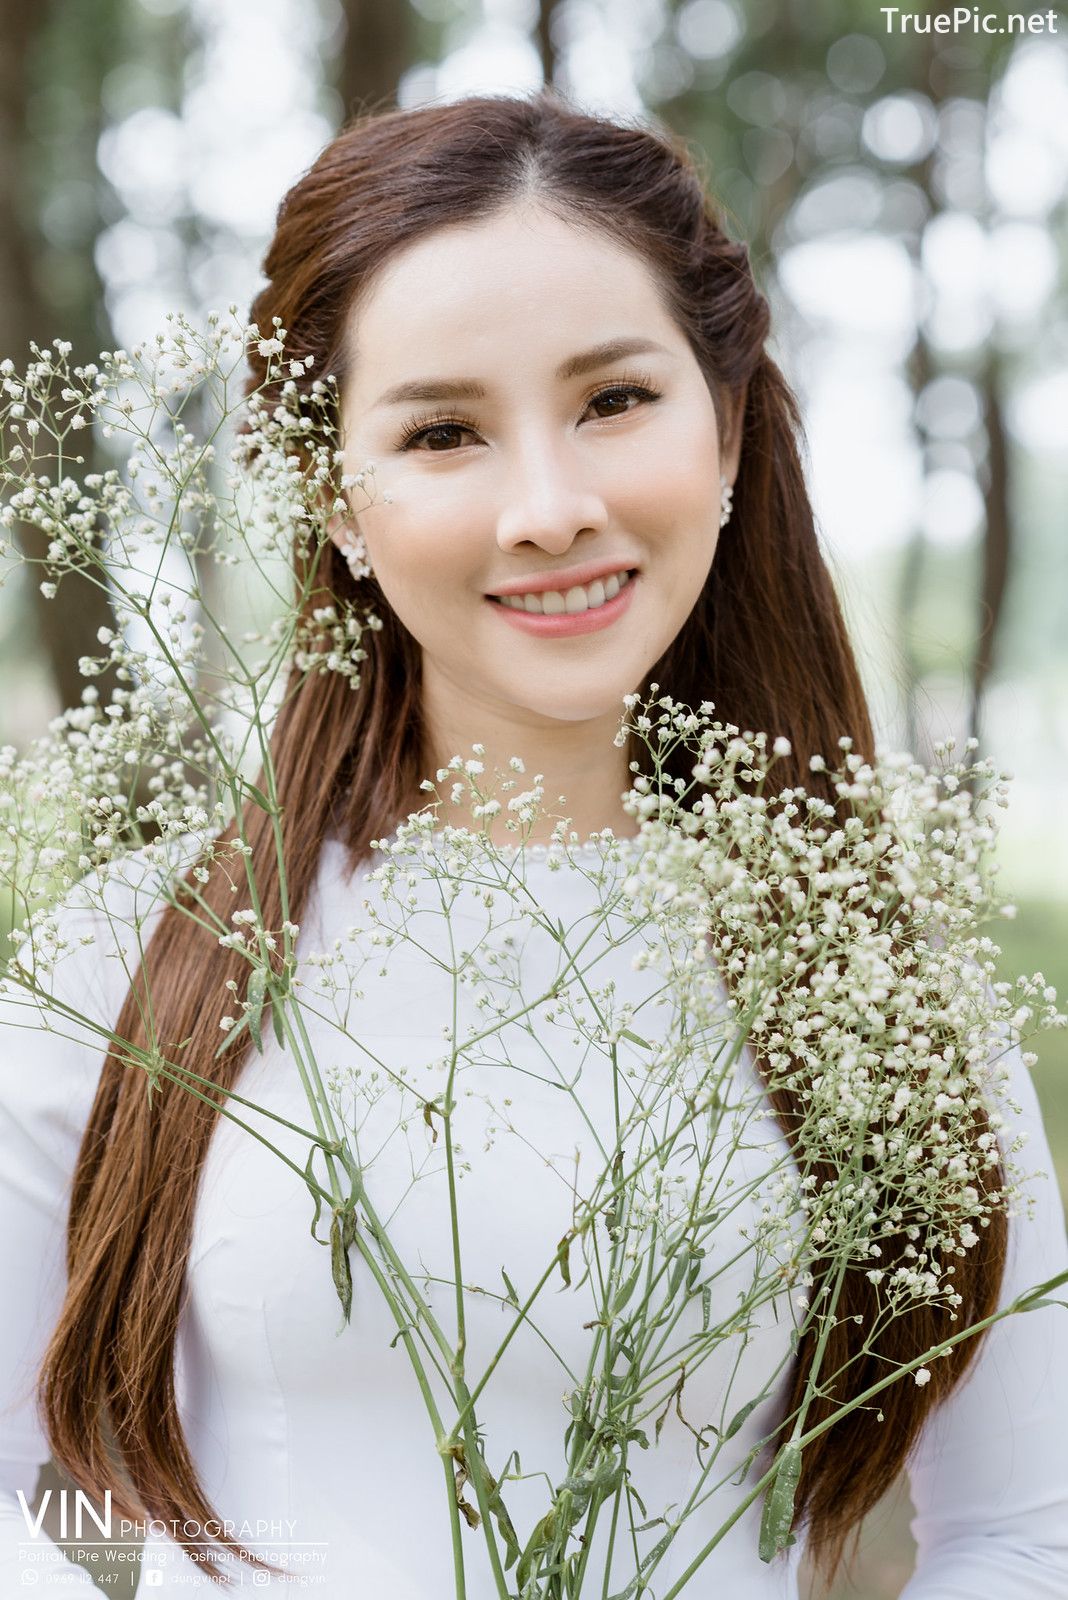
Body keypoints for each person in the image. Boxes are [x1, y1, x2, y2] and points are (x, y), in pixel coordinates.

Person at [2, 92, 1067, 1598]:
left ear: (732, 421)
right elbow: (24, 1493)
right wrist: (152, 1579)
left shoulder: (880, 987)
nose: (550, 508)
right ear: (333, 497)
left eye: (614, 400)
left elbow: (1027, 1535)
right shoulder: (140, 953)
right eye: (443, 432)